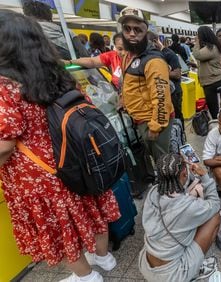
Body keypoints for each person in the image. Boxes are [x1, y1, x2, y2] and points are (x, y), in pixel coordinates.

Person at [0, 10, 120, 282]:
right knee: (91, 209)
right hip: (76, 157)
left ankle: (86, 277)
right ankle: (104, 258)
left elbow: (4, 145)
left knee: (62, 227)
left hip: (40, 175)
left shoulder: (5, 86)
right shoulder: (57, 72)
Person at [138, 153, 221, 282]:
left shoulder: (153, 192)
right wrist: (204, 176)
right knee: (214, 218)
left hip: (146, 265)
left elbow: (174, 201)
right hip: (172, 276)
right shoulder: (189, 208)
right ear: (184, 174)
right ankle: (195, 270)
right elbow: (215, 204)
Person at [119, 7, 174, 161]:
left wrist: (156, 126)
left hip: (153, 121)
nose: (131, 34)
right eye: (127, 29)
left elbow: (161, 96)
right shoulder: (129, 55)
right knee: (156, 160)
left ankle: (169, 185)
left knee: (163, 164)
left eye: (137, 30)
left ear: (146, 31)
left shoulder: (153, 60)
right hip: (141, 119)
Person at [22, 0, 89, 59]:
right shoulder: (67, 31)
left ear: (28, 15)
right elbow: (85, 55)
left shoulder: (27, 33)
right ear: (49, 15)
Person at [148, 31, 185, 126]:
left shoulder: (169, 54)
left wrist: (160, 72)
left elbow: (177, 74)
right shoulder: (152, 55)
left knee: (177, 118)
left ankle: (181, 138)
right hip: (162, 94)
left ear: (155, 41)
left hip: (174, 93)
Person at [192, 26, 221, 119]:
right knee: (216, 108)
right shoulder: (212, 47)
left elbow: (197, 55)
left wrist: (196, 42)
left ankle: (219, 127)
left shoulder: (212, 48)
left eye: (199, 35)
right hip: (214, 80)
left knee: (214, 110)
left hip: (213, 81)